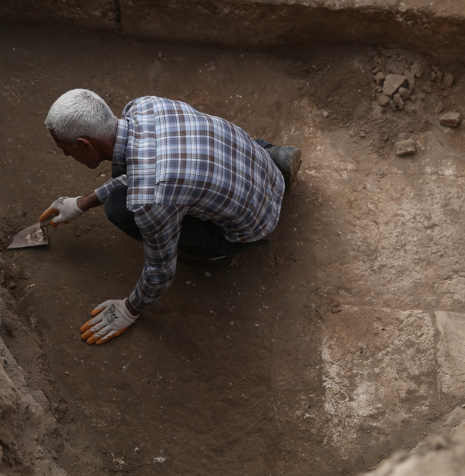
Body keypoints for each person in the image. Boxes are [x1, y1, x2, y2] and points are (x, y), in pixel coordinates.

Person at [41, 89, 301, 345]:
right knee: (186, 154)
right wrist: (82, 203)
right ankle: (277, 158)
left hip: (254, 224)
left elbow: (161, 271)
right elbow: (143, 167)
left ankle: (220, 253)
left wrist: (129, 309)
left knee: (120, 207)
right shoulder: (143, 106)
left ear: (85, 145)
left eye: (65, 149)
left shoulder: (150, 199)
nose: (66, 155)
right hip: (261, 168)